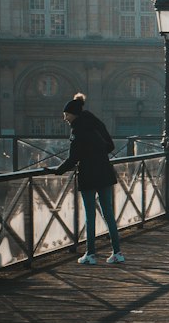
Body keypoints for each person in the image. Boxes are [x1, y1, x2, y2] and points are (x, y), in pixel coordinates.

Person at [48, 94, 123, 265]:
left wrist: (58, 170)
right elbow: (110, 146)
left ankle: (90, 255)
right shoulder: (96, 124)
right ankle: (117, 253)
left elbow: (73, 157)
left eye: (66, 114)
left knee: (90, 215)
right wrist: (97, 151)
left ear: (74, 114)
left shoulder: (77, 129)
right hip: (105, 172)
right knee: (109, 214)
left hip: (89, 174)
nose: (64, 118)